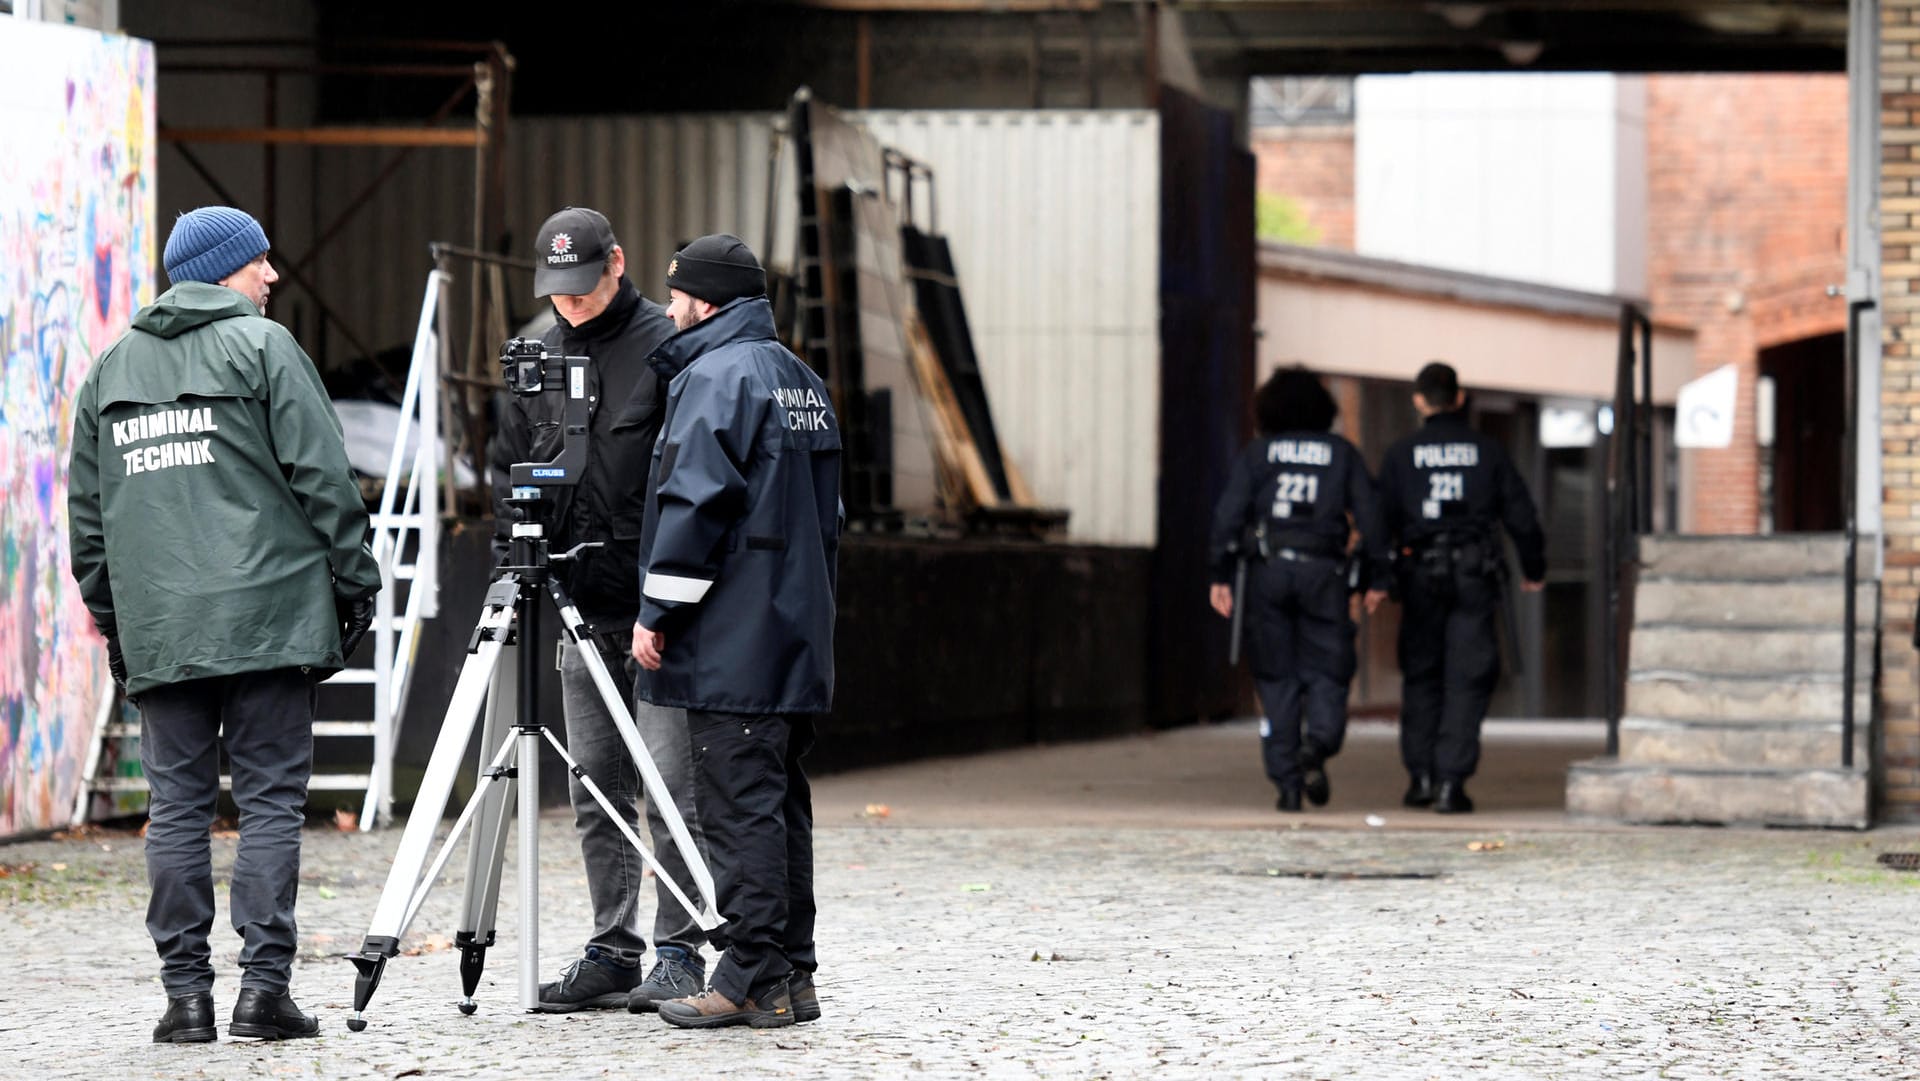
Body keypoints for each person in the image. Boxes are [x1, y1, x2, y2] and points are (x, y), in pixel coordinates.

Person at [66, 206, 381, 1042]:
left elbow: (88, 526)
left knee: (175, 808)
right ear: (220, 269)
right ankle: (262, 992)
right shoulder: (267, 349)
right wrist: (357, 581)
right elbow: (325, 479)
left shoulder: (110, 370)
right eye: (259, 262)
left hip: (164, 628)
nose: (273, 275)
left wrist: (120, 621)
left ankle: (186, 999)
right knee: (272, 802)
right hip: (270, 620)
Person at [487, 206, 712, 1013]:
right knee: (595, 789)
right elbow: (504, 468)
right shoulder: (534, 353)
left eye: (583, 288)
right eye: (558, 292)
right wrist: (509, 569)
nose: (570, 304)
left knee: (673, 788)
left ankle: (681, 949)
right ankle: (612, 948)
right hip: (573, 602)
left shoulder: (671, 347)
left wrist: (676, 590)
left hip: (659, 614)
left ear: (617, 262)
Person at [629, 234, 841, 1030]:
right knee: (781, 801)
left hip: (733, 636)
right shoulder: (801, 378)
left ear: (706, 300)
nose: (673, 306)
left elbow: (695, 503)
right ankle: (791, 974)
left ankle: (748, 971)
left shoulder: (715, 375)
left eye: (680, 294)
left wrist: (657, 611)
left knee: (740, 805)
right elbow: (830, 518)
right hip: (792, 629)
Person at [1365, 361, 1546, 814]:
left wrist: (1377, 578)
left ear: (1419, 400)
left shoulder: (1401, 454)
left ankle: (1421, 777)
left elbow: (1378, 520)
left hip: (1419, 576)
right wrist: (1534, 567)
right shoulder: (1488, 450)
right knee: (1467, 679)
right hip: (1472, 576)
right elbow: (1521, 515)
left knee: (1422, 677)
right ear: (1460, 397)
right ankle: (1451, 783)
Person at [1209, 367, 1384, 813]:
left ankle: (1287, 783)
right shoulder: (1341, 453)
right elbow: (1372, 518)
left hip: (1267, 573)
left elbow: (1228, 516)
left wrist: (1220, 574)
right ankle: (1318, 746)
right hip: (1324, 574)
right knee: (1328, 668)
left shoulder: (1258, 454)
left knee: (1275, 676)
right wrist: (1378, 577)